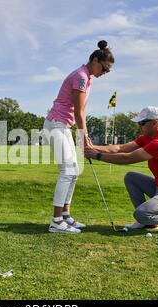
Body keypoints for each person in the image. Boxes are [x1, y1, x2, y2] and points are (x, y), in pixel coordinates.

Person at [84, 107, 158, 235]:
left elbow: (128, 158)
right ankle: (147, 223)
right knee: (131, 177)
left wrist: (97, 156)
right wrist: (92, 148)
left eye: (142, 123)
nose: (139, 126)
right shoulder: (147, 138)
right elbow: (120, 148)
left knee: (140, 213)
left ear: (155, 123)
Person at [44, 40, 115, 234]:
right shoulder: (81, 77)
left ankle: (66, 216)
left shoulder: (87, 78)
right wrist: (84, 137)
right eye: (104, 69)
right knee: (67, 170)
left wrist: (82, 136)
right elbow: (79, 112)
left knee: (74, 170)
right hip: (56, 124)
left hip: (63, 126)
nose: (105, 73)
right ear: (95, 60)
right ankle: (56, 221)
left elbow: (80, 111)